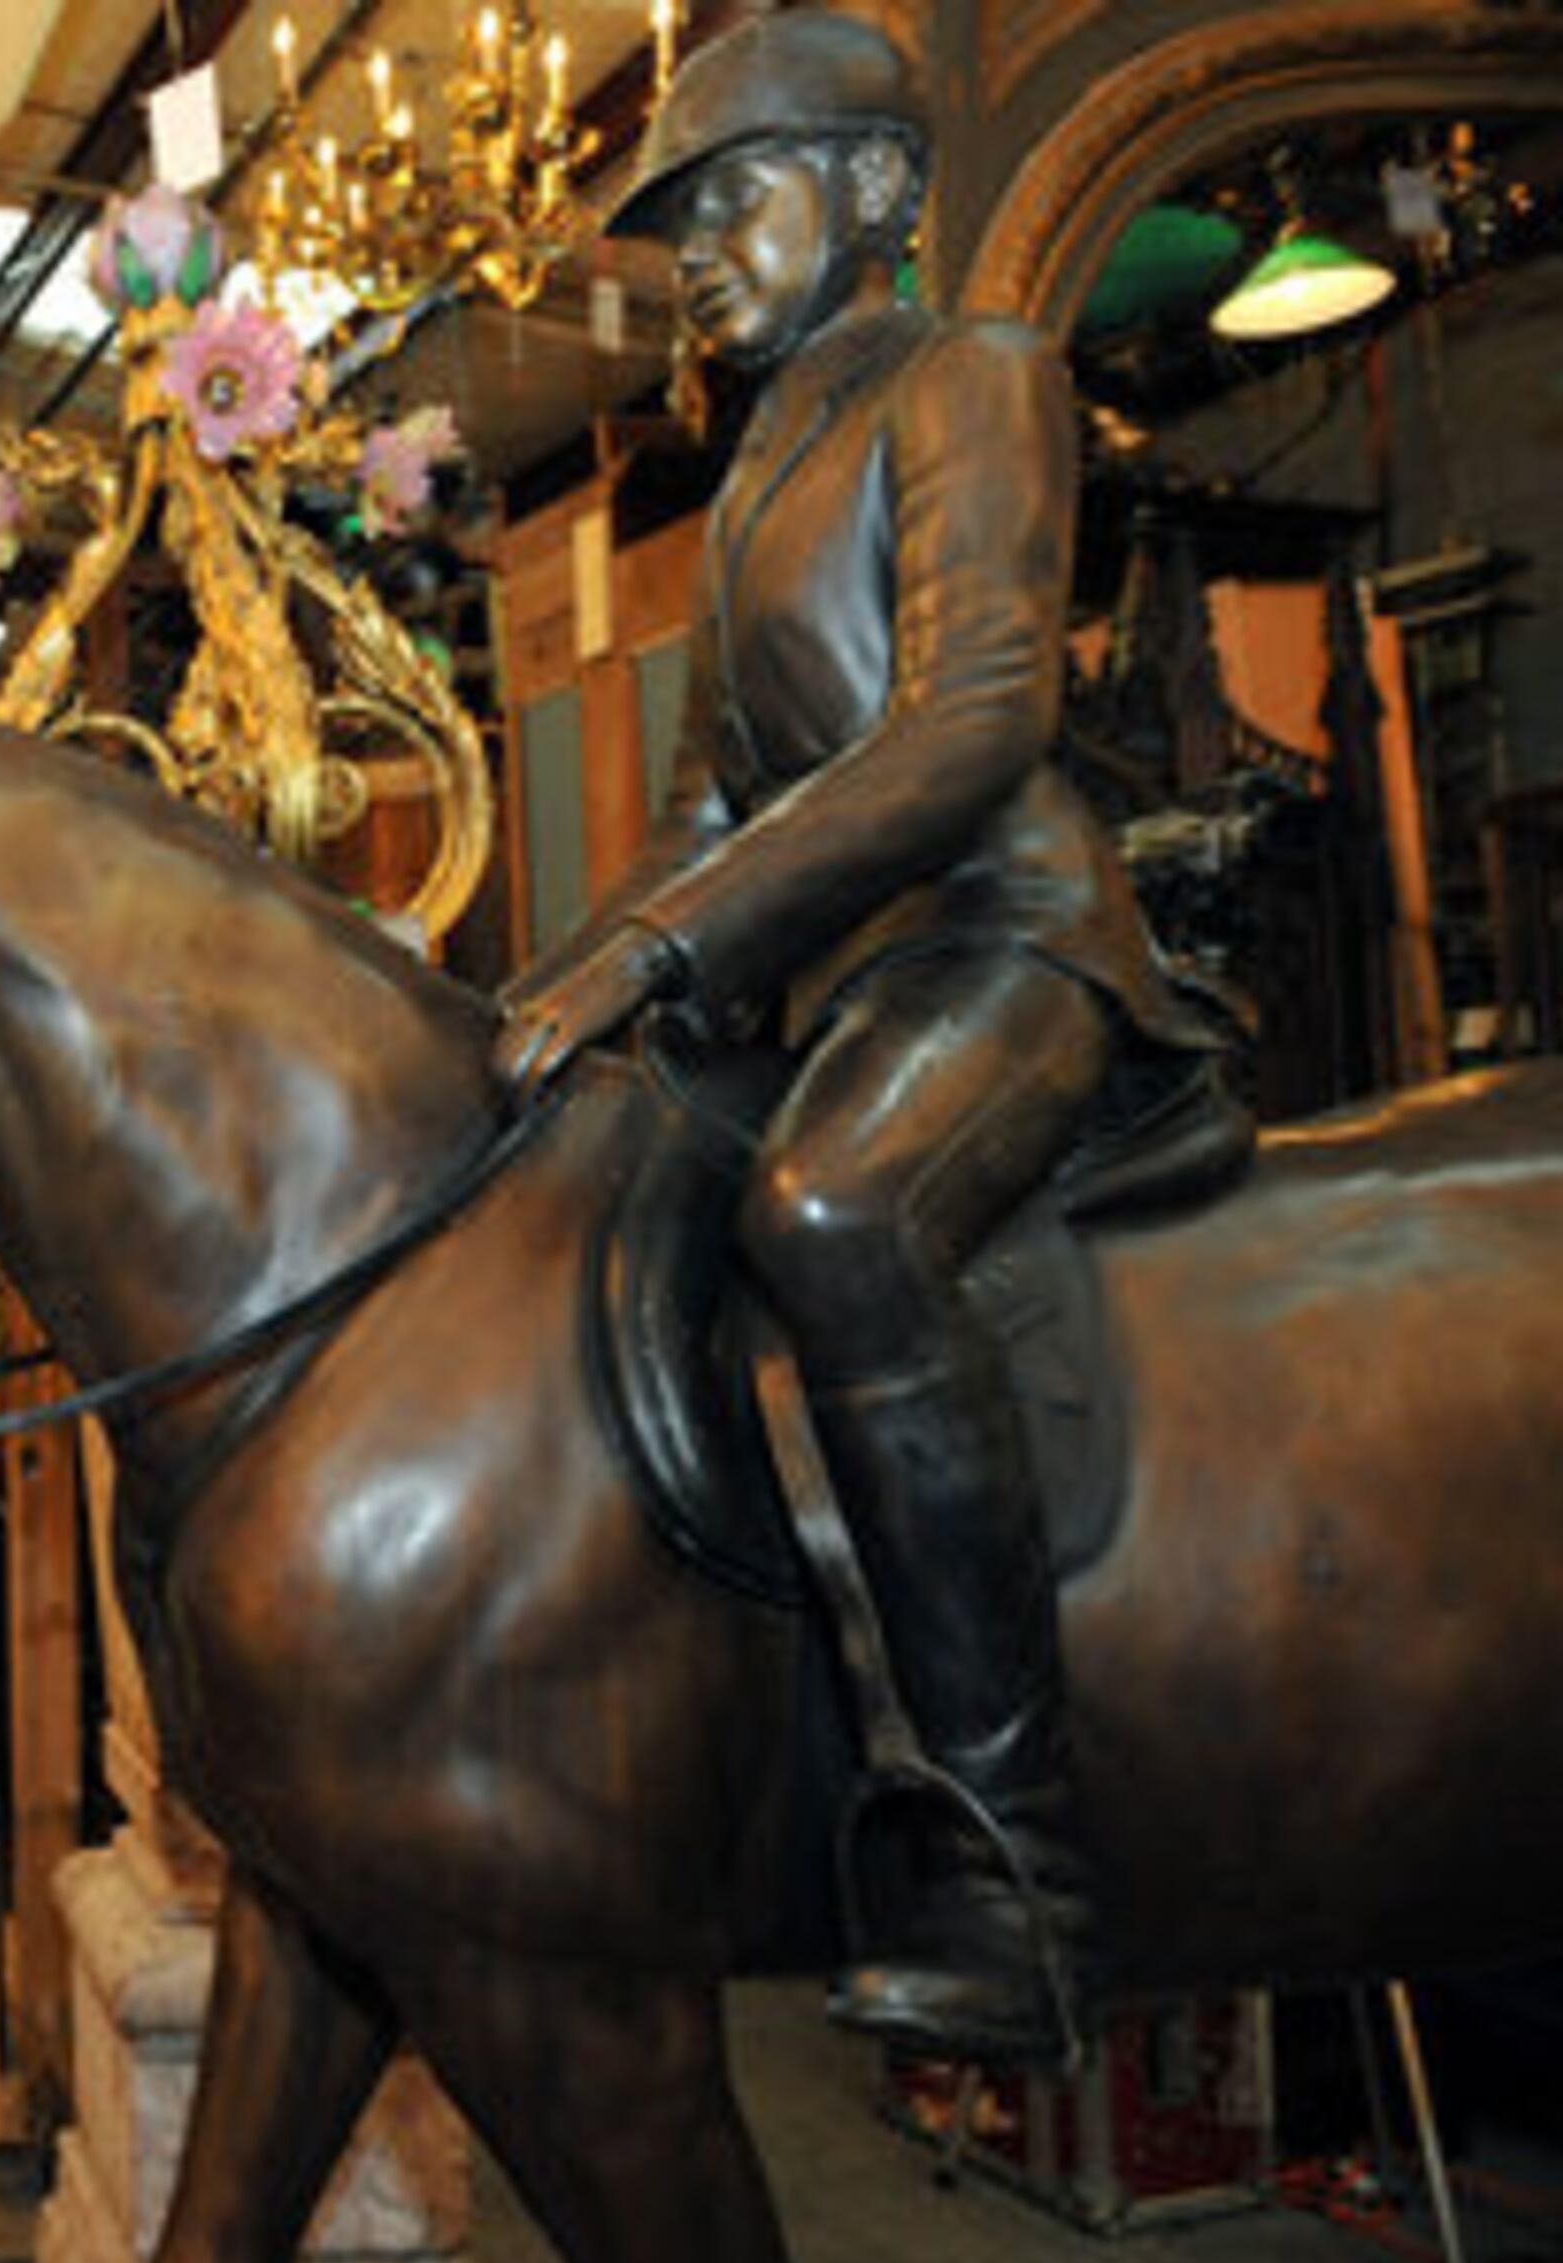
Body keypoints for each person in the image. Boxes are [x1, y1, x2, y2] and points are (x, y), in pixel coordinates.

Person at [488, 12, 1223, 2063]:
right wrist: (560, 982)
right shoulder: (741, 487)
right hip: (845, 972)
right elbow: (723, 804)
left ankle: (1020, 1862)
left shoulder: (975, 376)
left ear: (880, 193)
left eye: (738, 194)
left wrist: (655, 960)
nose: (699, 252)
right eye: (682, 225)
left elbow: (971, 723)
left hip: (1008, 943)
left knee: (832, 1212)